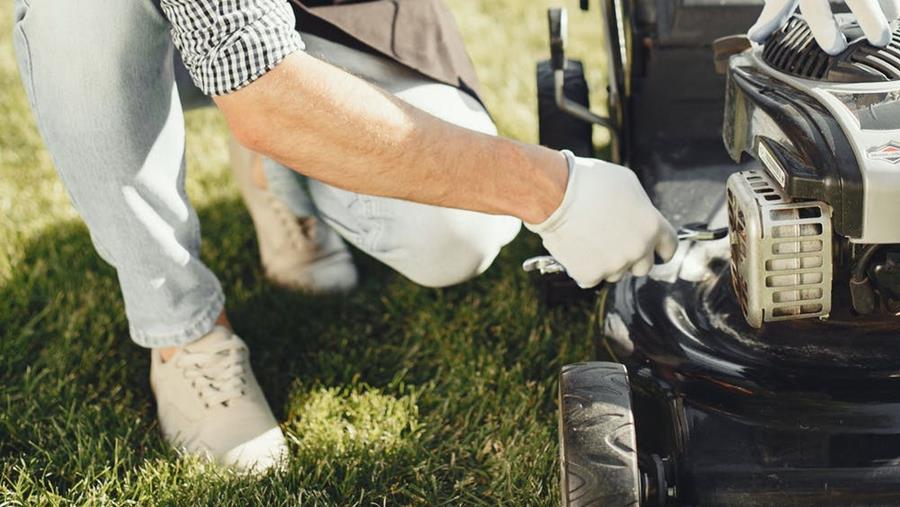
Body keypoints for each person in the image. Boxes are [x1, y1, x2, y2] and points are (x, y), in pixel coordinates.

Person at [9, 0, 893, 473]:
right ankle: (182, 332)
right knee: (76, 10)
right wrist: (557, 188)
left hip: (338, 12)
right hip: (168, 30)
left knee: (456, 234)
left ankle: (275, 167)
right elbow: (261, 80)